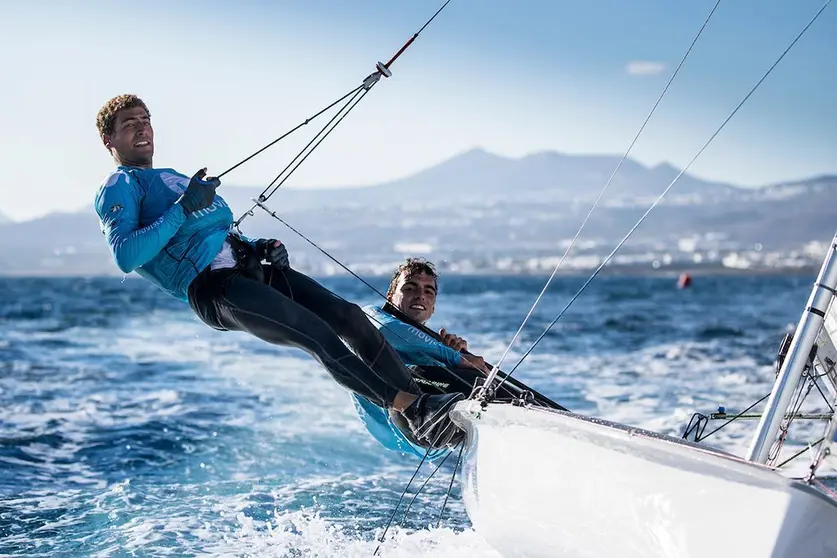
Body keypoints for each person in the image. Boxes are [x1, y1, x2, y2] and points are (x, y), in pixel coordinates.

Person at [92, 94, 464, 448]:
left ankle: (424, 409)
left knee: (349, 316)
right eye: (130, 124)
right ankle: (412, 411)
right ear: (110, 139)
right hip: (213, 288)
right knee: (314, 332)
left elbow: (217, 234)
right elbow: (126, 255)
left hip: (251, 266)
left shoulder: (170, 176)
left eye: (146, 120)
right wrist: (185, 205)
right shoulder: (119, 185)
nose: (142, 129)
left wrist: (259, 245)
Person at [352, 258, 491, 459]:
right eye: (410, 288)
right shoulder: (372, 315)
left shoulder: (431, 343)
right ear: (390, 296)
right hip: (397, 422)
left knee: (477, 384)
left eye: (429, 291)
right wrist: (455, 358)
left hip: (432, 442)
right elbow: (388, 330)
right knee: (426, 374)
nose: (420, 295)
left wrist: (460, 358)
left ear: (433, 307)